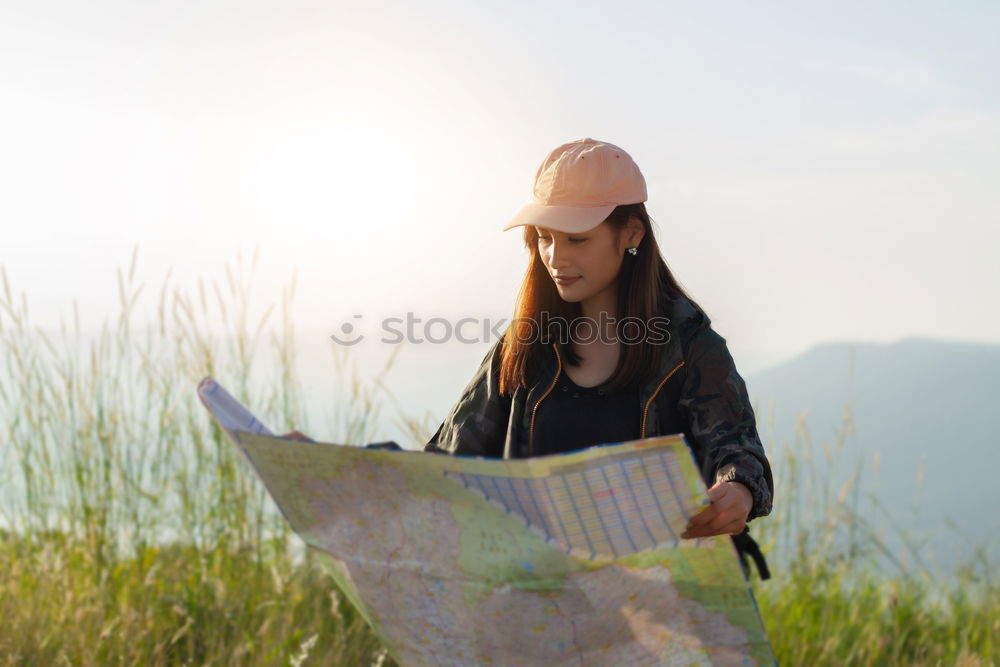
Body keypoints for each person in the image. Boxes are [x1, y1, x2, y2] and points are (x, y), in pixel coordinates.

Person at [287, 137, 773, 578]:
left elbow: (738, 452)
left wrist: (738, 490)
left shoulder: (692, 349)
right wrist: (334, 465)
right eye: (544, 237)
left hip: (666, 611)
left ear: (631, 234)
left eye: (577, 238)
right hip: (543, 609)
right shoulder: (523, 348)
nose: (555, 256)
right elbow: (446, 466)